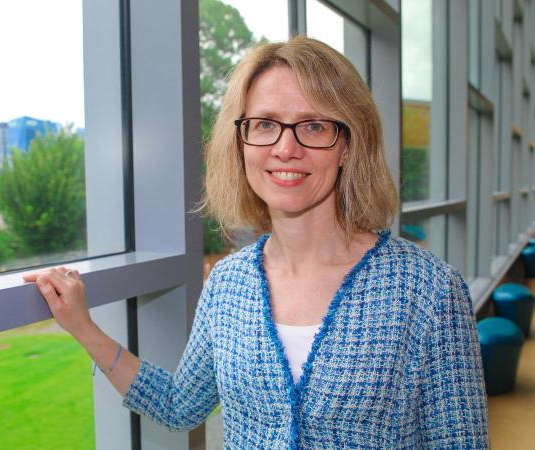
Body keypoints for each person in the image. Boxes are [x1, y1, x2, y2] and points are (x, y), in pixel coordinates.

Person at [24, 36, 488, 448]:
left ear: (348, 145)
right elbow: (179, 405)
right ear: (241, 141)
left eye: (313, 125)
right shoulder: (228, 284)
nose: (286, 148)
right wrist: (84, 328)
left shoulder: (428, 290)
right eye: (265, 124)